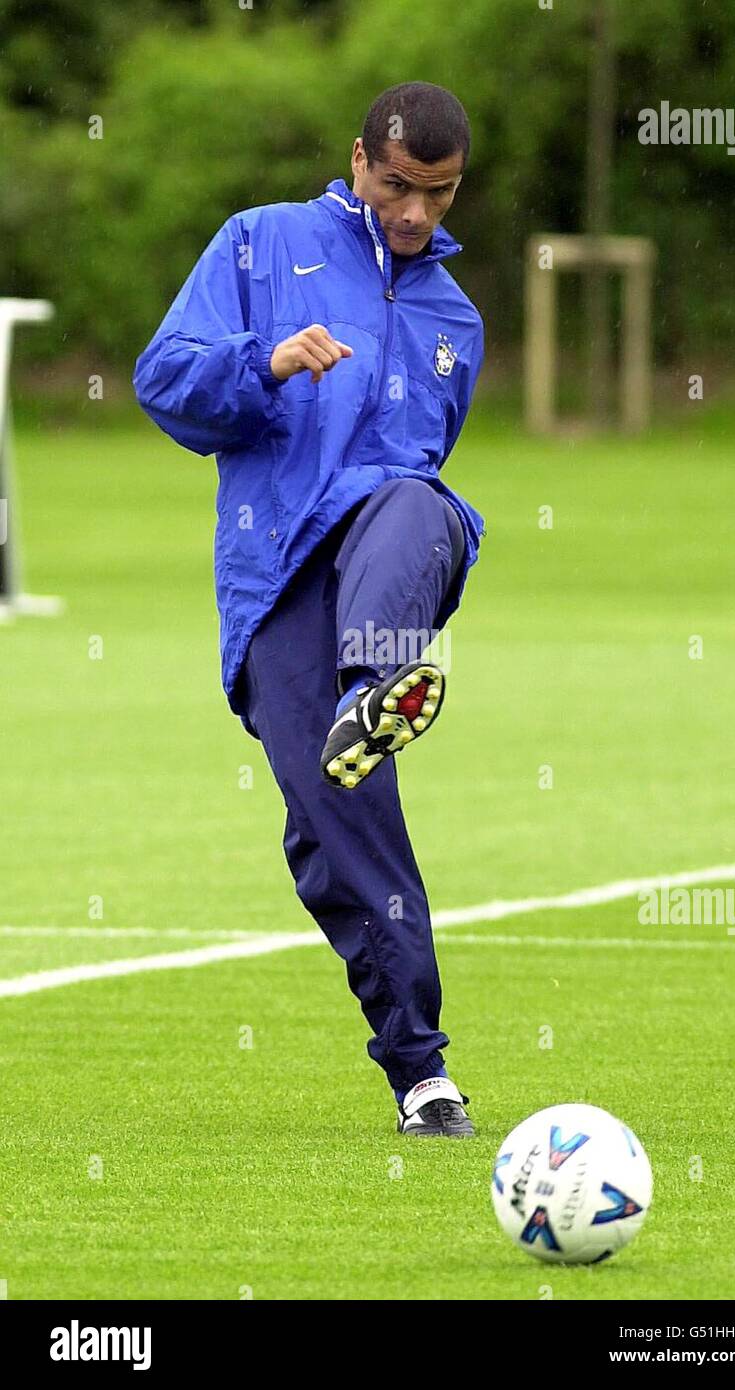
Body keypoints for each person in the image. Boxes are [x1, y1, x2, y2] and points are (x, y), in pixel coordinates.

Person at [134, 81, 486, 1137]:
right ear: (356, 161)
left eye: (438, 192)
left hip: (393, 543)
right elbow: (163, 380)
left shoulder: (452, 319)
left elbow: (423, 455)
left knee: (418, 498)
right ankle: (419, 1076)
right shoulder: (257, 244)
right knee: (333, 818)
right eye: (394, 187)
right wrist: (267, 363)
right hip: (275, 577)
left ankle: (374, 684)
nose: (414, 213)